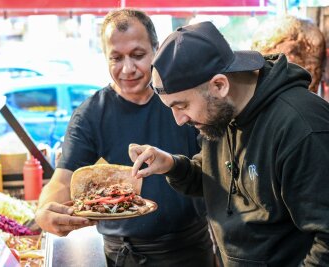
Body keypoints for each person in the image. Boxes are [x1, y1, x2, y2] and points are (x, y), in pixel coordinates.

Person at [129, 21, 329, 267]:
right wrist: (171, 165)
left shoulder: (303, 127)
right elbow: (216, 179)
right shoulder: (222, 113)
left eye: (182, 105)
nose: (179, 120)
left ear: (220, 85)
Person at [35, 9, 215, 267]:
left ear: (156, 49)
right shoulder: (91, 114)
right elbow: (63, 178)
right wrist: (45, 211)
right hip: (123, 255)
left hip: (190, 249)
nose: (128, 68)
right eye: (116, 58)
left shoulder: (183, 99)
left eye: (138, 55)